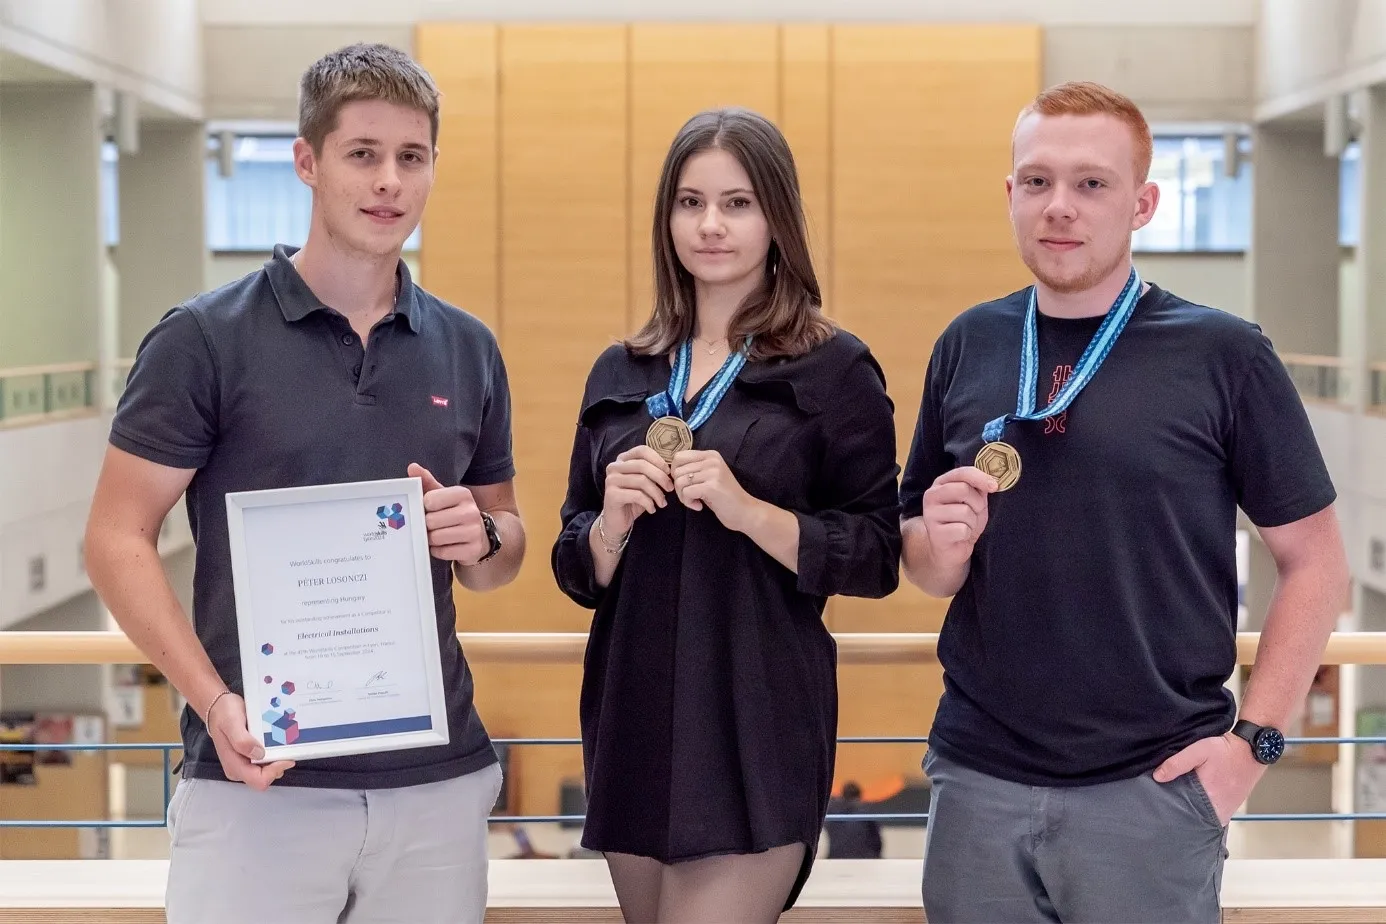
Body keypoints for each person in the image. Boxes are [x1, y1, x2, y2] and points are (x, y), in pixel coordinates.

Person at [84, 43, 524, 924]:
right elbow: (113, 537)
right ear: (306, 161)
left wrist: (478, 534)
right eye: (363, 153)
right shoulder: (204, 340)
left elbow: (502, 550)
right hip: (257, 781)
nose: (388, 181)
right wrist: (214, 705)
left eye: (412, 156)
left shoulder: (467, 347)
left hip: (434, 785)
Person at [900, 80, 1350, 923]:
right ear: (1010, 196)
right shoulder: (967, 343)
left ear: (1142, 203)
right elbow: (923, 562)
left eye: (1091, 184)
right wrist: (941, 544)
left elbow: (1318, 564)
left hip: (1152, 790)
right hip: (977, 784)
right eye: (1036, 182)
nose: (1059, 207)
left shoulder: (1225, 354)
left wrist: (1250, 749)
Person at [551, 107, 901, 923]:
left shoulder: (835, 368)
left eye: (738, 203)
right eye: (690, 202)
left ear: (777, 217)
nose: (710, 225)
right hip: (634, 710)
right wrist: (611, 525)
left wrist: (748, 512)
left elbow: (878, 554)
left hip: (757, 715)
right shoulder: (623, 368)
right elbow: (575, 560)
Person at [824, 781, 884, 859]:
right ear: (859, 796)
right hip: (864, 860)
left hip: (835, 859)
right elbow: (877, 842)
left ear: (843, 795)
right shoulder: (866, 812)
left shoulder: (832, 812)